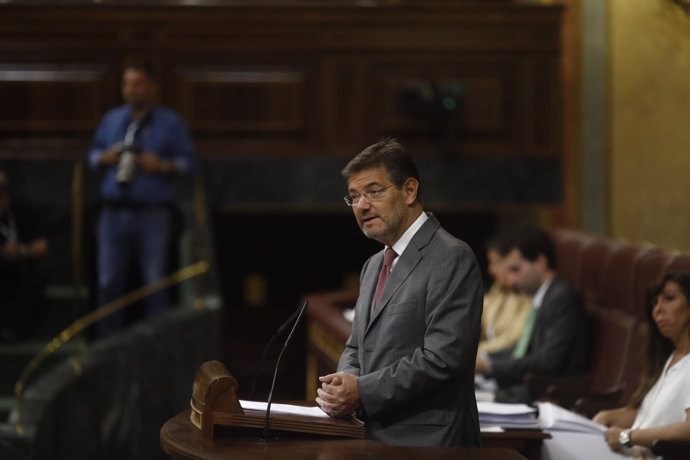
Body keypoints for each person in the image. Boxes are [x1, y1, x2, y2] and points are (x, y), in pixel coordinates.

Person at [314, 138, 484, 447]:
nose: (362, 205)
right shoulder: (372, 264)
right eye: (354, 196)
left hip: (429, 442)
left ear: (409, 191)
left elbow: (442, 359)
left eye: (374, 191)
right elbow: (355, 347)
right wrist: (342, 384)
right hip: (372, 437)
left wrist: (361, 391)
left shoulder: (452, 256)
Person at [87, 61, 196, 336]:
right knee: (108, 283)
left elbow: (188, 164)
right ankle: (106, 350)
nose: (131, 90)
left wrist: (160, 165)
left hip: (152, 213)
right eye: (126, 83)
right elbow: (91, 156)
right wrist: (105, 158)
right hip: (113, 213)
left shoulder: (170, 123)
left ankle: (155, 349)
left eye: (137, 83)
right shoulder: (112, 119)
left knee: (154, 283)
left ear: (151, 87)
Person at [475, 226, 589, 403]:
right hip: (530, 388)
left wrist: (489, 367)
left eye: (516, 270)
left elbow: (548, 361)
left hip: (553, 396)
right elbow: (523, 349)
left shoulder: (561, 297)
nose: (510, 280)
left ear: (540, 262)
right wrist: (485, 359)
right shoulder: (543, 296)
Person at [592, 272, 690, 457]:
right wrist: (608, 416)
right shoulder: (671, 356)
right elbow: (649, 415)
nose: (658, 310)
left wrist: (627, 436)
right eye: (654, 303)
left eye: (669, 299)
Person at [0, 170, 49, 341]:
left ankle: (23, 330)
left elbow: (43, 245)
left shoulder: (22, 211)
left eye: (2, 191)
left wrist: (21, 250)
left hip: (22, 268)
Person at [478, 235, 532, 355]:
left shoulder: (526, 296)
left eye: (494, 262)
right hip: (483, 358)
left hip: (504, 361)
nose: (490, 270)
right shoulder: (497, 290)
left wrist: (475, 351)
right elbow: (477, 318)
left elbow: (513, 339)